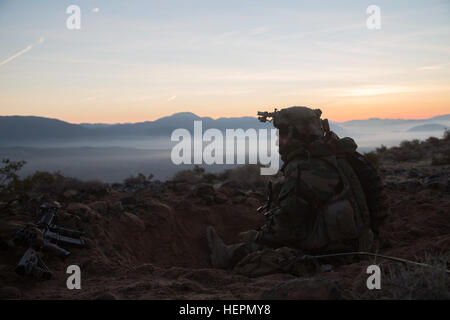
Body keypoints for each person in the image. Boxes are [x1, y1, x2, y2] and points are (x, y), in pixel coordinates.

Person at [207, 106, 385, 272]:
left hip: (336, 255)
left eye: (283, 134)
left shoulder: (309, 168)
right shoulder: (337, 153)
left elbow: (286, 228)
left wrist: (255, 239)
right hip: (360, 243)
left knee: (268, 256)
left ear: (298, 134)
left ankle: (227, 256)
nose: (279, 142)